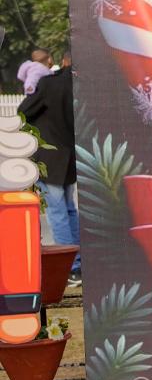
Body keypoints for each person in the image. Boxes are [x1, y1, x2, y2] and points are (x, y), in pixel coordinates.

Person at [18, 51, 81, 285]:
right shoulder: (82, 85)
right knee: (70, 209)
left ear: (62, 61)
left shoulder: (48, 84)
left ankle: (72, 268)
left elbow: (23, 111)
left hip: (50, 158)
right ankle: (79, 262)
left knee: (57, 212)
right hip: (72, 157)